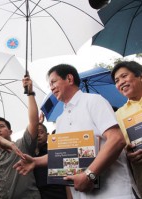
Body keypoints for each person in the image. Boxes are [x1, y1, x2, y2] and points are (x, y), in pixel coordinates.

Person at [13, 64, 134, 199]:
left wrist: (89, 175)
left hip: (114, 192)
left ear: (69, 79)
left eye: (53, 82)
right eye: (49, 85)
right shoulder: (60, 120)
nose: (51, 88)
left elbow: (117, 140)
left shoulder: (94, 101)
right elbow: (62, 154)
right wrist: (35, 162)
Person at [0, 76, 41, 199]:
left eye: (1, 126)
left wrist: (30, 93)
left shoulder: (22, 145)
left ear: (10, 131)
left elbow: (34, 123)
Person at [112, 61, 142, 198]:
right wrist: (128, 154)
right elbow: (120, 144)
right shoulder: (118, 115)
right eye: (117, 81)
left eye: (124, 76)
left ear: (140, 76)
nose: (121, 82)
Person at [34, 115, 67, 199]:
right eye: (35, 133)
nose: (38, 135)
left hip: (58, 191)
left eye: (41, 132)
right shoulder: (29, 153)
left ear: (48, 135)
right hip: (38, 193)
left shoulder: (55, 150)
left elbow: (66, 173)